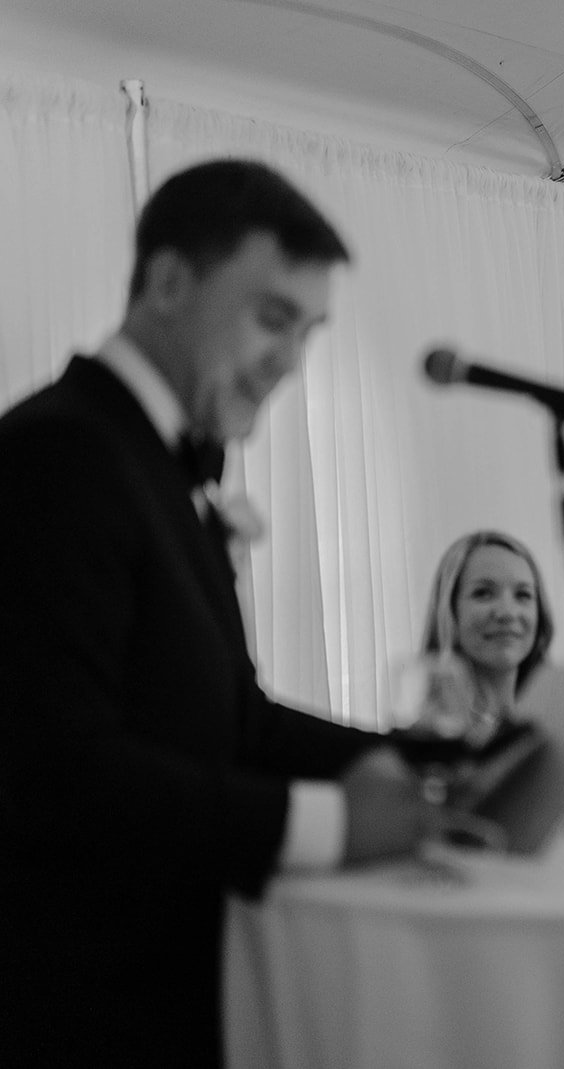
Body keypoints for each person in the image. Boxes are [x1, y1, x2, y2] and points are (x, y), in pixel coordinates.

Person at [0, 159, 428, 1067]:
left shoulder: (161, 463)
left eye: (307, 333)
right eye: (273, 317)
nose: (289, 362)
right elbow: (53, 771)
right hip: (76, 1007)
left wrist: (438, 762)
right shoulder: (56, 452)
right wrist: (333, 826)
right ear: (168, 281)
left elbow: (236, 716)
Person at [418, 529, 555, 750]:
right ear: (450, 612)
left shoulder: (562, 728)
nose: (507, 613)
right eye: (483, 593)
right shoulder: (429, 738)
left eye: (523, 595)